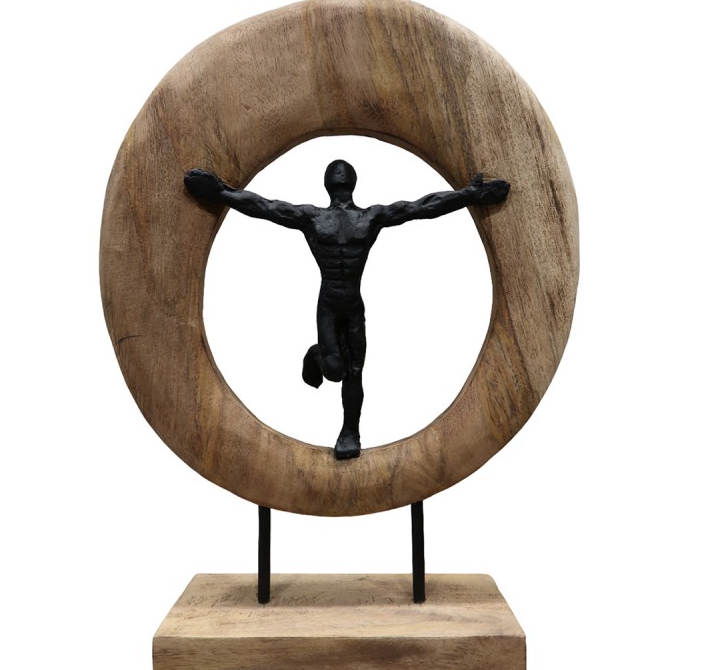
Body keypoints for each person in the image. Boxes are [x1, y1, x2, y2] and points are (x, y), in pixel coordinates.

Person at [185, 160, 510, 459]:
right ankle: (317, 356)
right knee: (335, 370)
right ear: (337, 184)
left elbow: (422, 207)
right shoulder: (314, 217)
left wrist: (470, 195)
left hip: (353, 305)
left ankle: (350, 432)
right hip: (328, 303)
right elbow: (264, 207)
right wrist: (220, 193)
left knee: (355, 371)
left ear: (340, 183)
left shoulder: (368, 217)